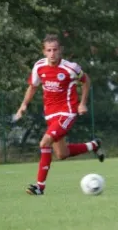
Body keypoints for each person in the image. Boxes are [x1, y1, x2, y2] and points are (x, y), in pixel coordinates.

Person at [15, 34, 104, 196]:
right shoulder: (39, 67)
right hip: (50, 114)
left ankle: (39, 187)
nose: (52, 53)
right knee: (62, 154)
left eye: (55, 50)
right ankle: (94, 145)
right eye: (49, 50)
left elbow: (86, 81)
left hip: (67, 112)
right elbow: (33, 87)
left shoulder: (70, 68)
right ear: (44, 51)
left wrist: (82, 103)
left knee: (45, 142)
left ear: (60, 50)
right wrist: (23, 105)